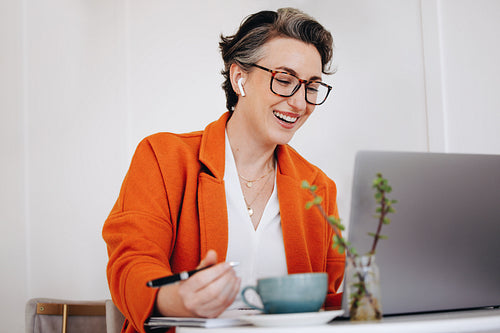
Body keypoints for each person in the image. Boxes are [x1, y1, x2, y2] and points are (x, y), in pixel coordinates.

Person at [103, 7, 345, 333]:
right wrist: (173, 299)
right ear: (239, 78)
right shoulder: (164, 157)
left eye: (311, 87)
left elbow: (329, 301)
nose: (300, 103)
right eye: (285, 80)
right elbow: (131, 261)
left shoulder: (319, 188)